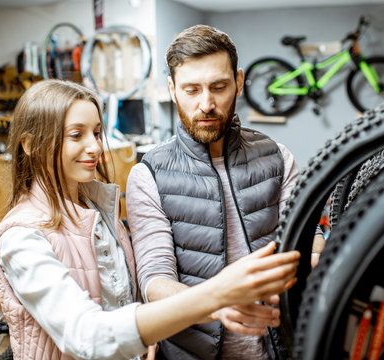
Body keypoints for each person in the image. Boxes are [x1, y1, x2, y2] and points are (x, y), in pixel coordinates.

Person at [0, 79, 301, 360]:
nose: (95, 146)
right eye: (75, 135)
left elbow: (122, 297)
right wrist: (215, 294)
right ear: (30, 145)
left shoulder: (98, 208)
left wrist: (148, 332)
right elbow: (85, 336)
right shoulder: (22, 237)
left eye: (97, 132)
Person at [125, 25, 325, 360]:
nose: (207, 104)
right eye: (192, 90)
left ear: (240, 82)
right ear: (172, 90)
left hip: (282, 348)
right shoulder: (149, 174)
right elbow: (154, 282)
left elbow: (311, 242)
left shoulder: (277, 156)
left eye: (219, 87)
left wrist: (317, 258)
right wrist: (217, 303)